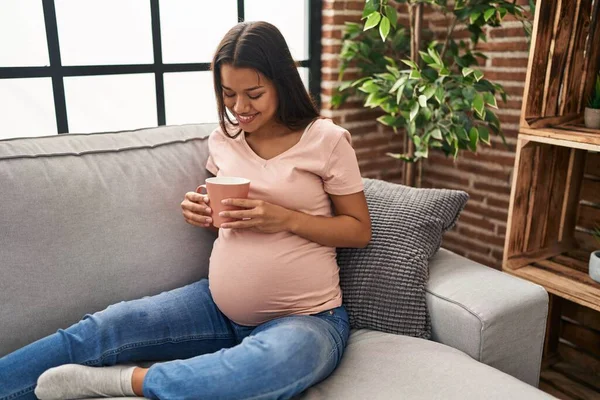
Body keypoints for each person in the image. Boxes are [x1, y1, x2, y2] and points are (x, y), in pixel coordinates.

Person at [0, 21, 371, 400]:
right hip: (215, 306)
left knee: (277, 363)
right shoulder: (223, 140)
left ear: (282, 82)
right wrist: (204, 214)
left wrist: (286, 218)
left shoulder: (326, 139)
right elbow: (225, 220)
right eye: (228, 94)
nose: (240, 108)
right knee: (107, 326)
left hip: (307, 318)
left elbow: (359, 229)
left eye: (254, 94)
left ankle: (125, 383)